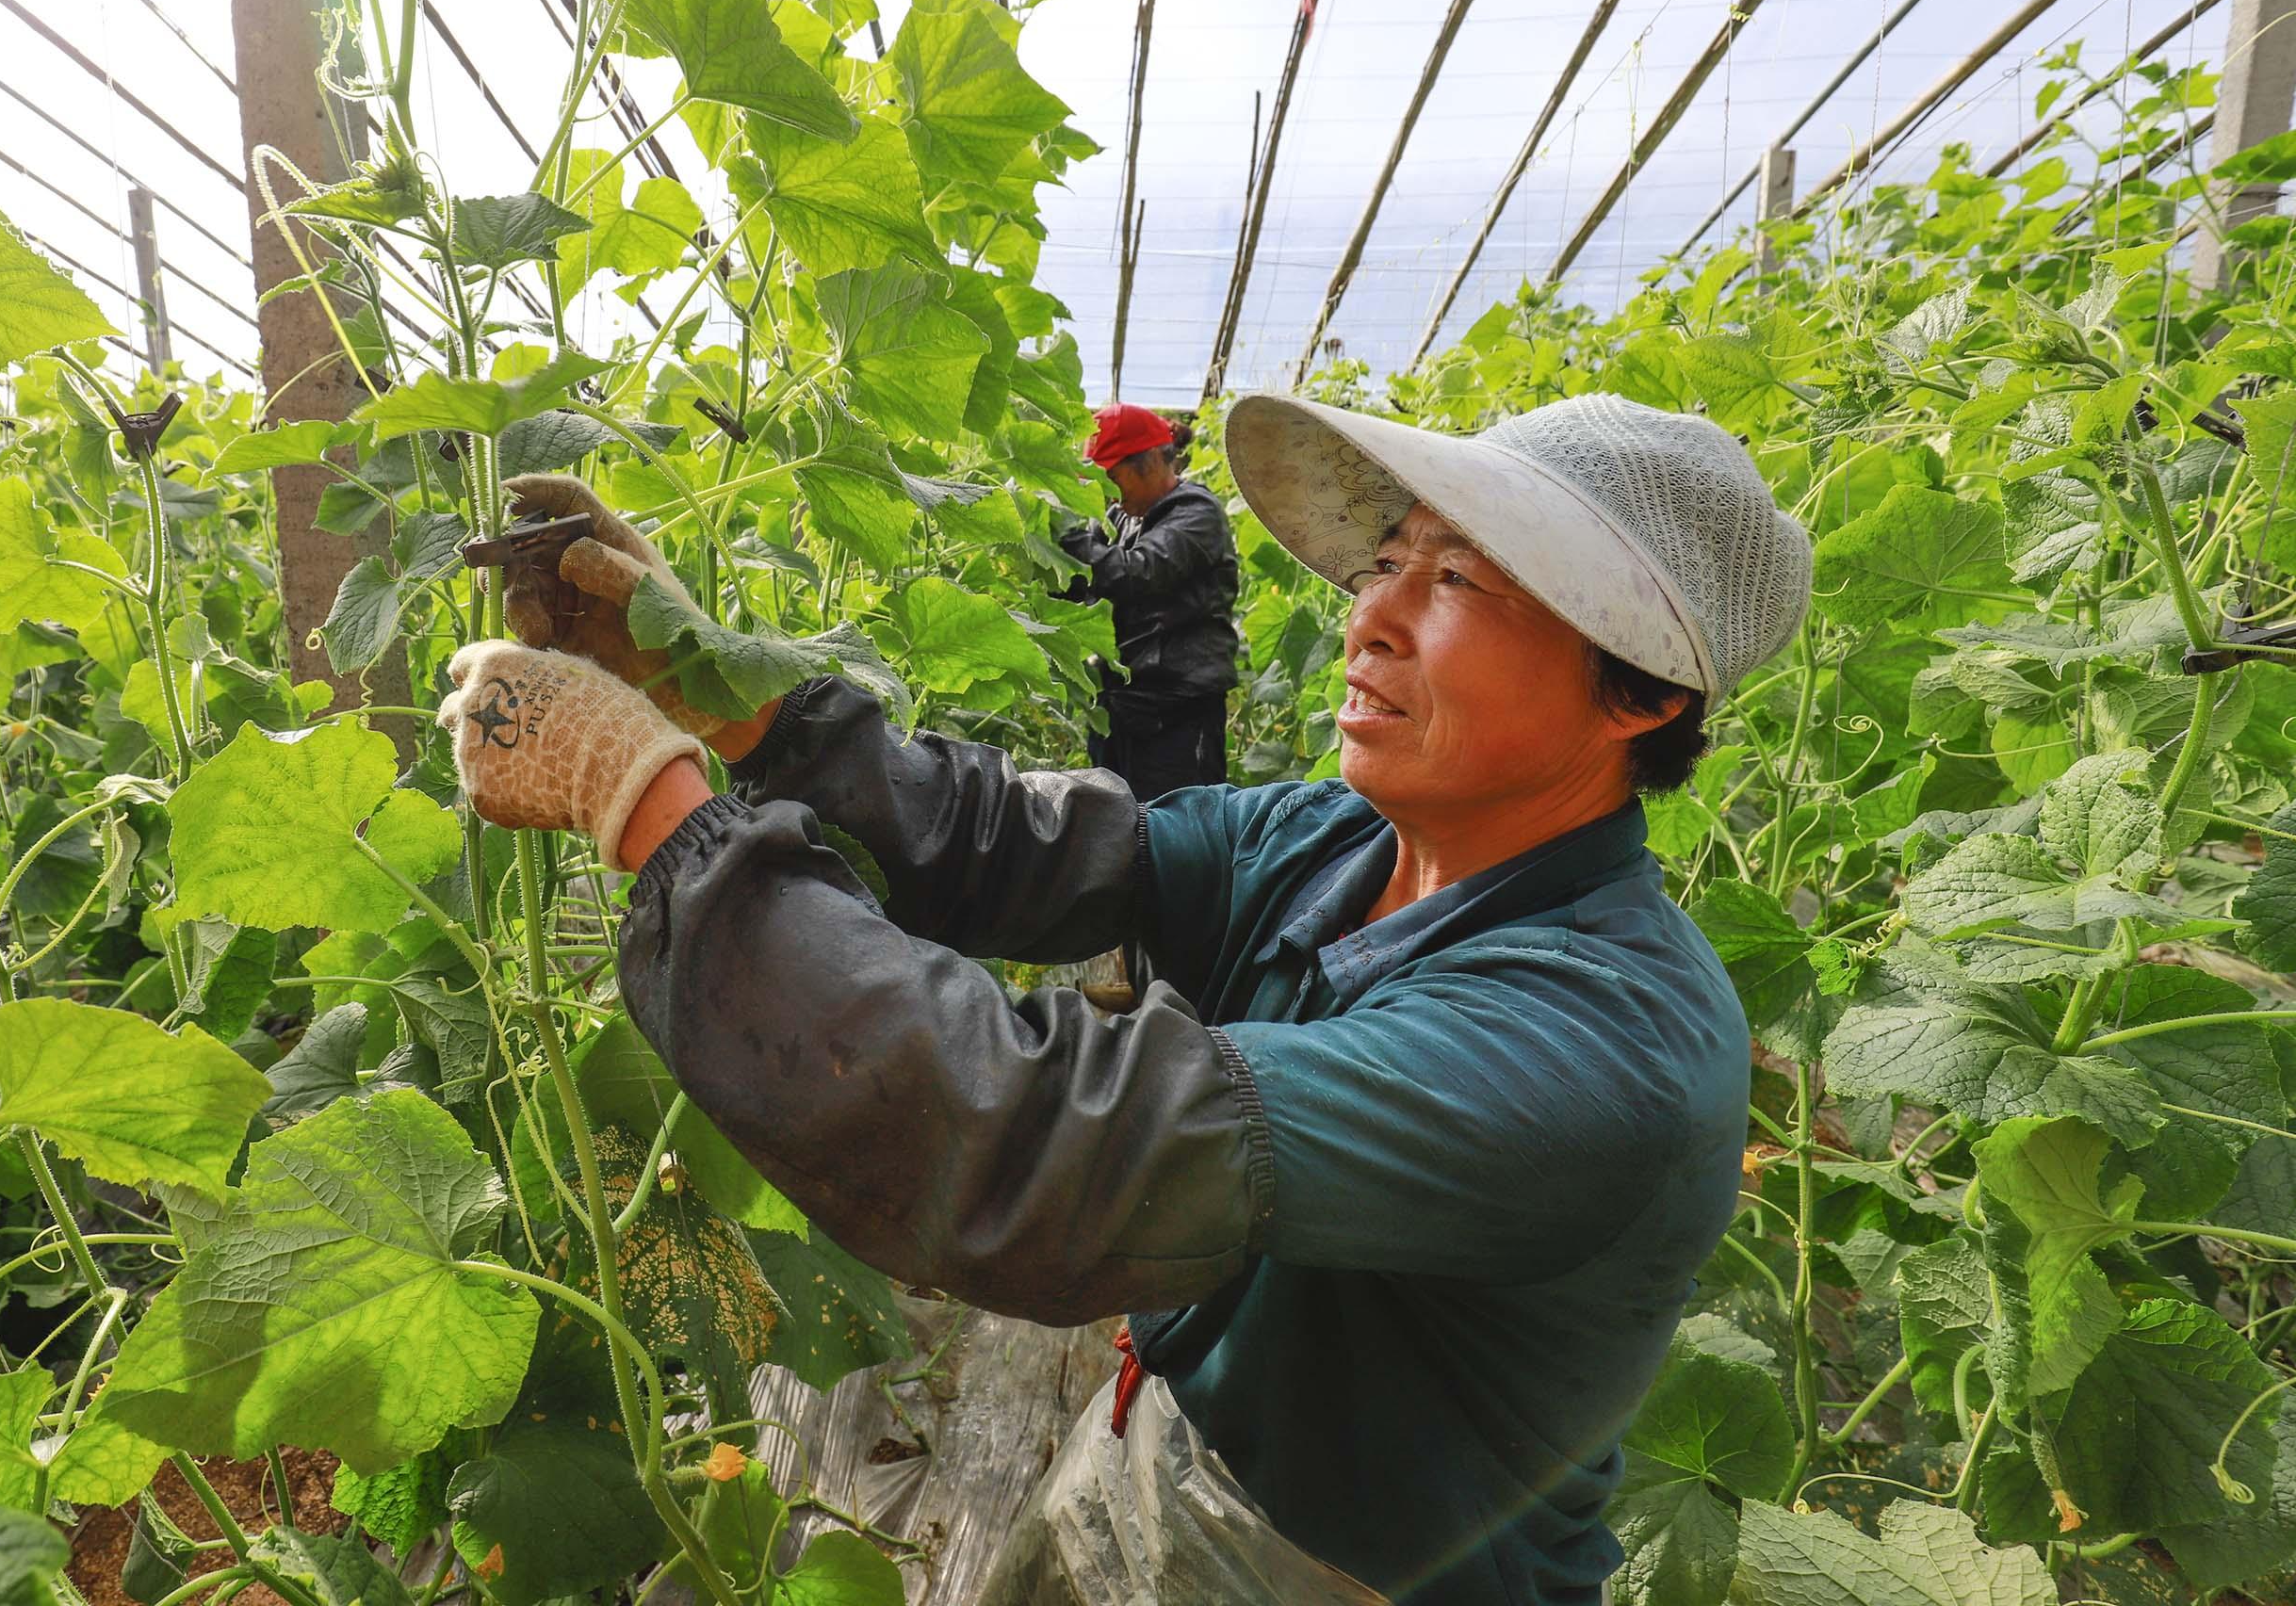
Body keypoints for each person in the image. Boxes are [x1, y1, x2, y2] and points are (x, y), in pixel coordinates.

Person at [442, 391, 1812, 1606]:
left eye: (1458, 584)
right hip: (1165, 1436)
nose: (1370, 615)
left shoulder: (1600, 1046)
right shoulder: (1333, 841)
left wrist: (647, 802)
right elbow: (1002, 841)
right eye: (1389, 559)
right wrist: (709, 683)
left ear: (1635, 694)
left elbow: (1046, 1150)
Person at [1059, 401, 1241, 800]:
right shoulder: (1120, 514)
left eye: (1112, 477)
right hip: (1122, 705)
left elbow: (1137, 572)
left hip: (1176, 708)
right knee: (1114, 823)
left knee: (1177, 827)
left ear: (1149, 463)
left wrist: (1066, 541)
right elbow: (1090, 580)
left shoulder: (1196, 512)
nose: (1106, 490)